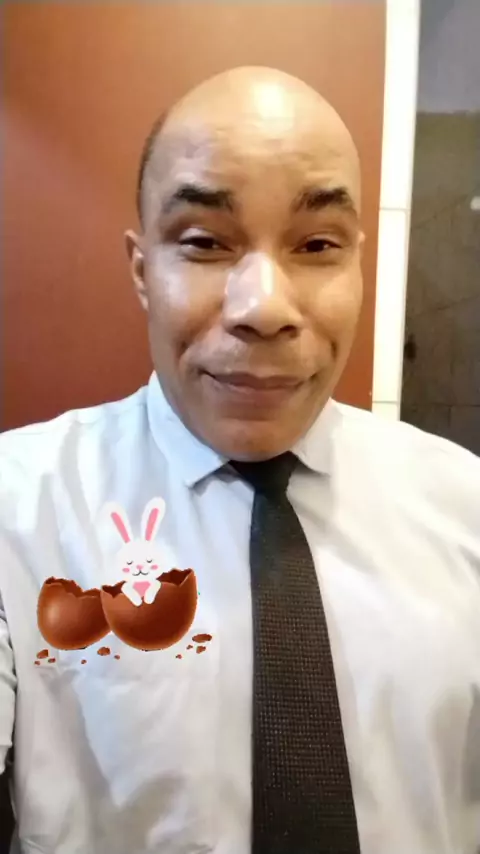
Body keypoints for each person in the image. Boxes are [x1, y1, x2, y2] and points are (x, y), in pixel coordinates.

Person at [0, 65, 479, 854]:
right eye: (204, 243)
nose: (264, 308)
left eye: (317, 245)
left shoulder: (465, 509)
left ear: (358, 266)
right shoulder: (20, 508)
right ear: (142, 271)